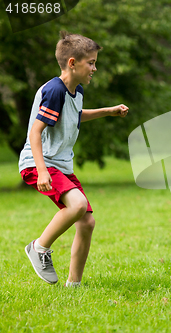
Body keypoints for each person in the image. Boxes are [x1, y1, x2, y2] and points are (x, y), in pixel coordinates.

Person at [20, 31, 129, 287]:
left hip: (60, 165)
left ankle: (74, 285)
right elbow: (35, 133)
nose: (95, 67)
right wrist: (42, 170)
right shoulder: (55, 90)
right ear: (72, 63)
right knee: (78, 205)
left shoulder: (75, 90)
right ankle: (38, 247)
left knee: (87, 222)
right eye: (90, 62)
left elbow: (75, 115)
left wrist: (108, 111)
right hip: (41, 163)